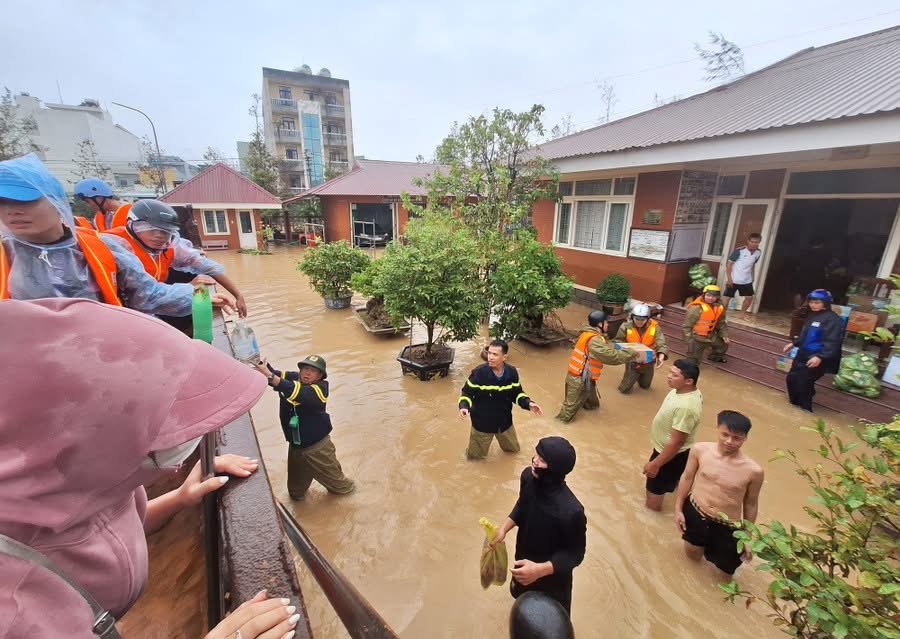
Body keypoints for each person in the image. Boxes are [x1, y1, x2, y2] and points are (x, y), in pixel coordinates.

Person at [0, 298, 299, 639]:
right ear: (84, 441)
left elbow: (105, 531)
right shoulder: (14, 613)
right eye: (159, 427)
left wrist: (179, 499)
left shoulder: (92, 487)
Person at [0, 154, 233, 315]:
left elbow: (147, 294)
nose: (13, 211)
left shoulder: (105, 247)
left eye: (25, 200)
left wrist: (195, 297)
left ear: (56, 201)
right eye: (3, 203)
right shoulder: (6, 255)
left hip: (105, 345)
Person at [490, 437, 586, 615]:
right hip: (523, 562)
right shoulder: (528, 477)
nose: (534, 461)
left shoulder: (571, 511)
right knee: (521, 611)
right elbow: (522, 505)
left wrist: (539, 570)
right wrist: (504, 528)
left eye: (542, 460)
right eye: (536, 455)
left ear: (555, 470)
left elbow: (575, 555)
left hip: (553, 581)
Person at [104, 199, 249, 316]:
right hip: (120, 316)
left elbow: (207, 266)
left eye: (165, 232)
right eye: (150, 229)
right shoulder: (118, 248)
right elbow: (146, 297)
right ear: (132, 224)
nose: (158, 236)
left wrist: (238, 295)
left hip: (150, 312)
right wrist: (196, 294)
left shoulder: (169, 246)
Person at [674, 410, 764, 579]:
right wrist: (678, 509)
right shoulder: (699, 450)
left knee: (724, 573)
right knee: (692, 556)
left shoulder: (754, 471)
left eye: (737, 438)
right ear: (717, 429)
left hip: (727, 527)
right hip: (695, 512)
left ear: (745, 438)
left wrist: (746, 537)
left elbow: (751, 504)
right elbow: (687, 477)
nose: (729, 441)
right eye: (725, 435)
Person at [253, 355, 355, 500]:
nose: (307, 373)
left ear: (320, 375)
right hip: (296, 446)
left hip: (317, 449)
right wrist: (259, 362)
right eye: (305, 369)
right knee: (295, 493)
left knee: (343, 489)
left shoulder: (320, 390)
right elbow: (276, 376)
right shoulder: (295, 378)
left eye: (313, 371)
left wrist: (269, 375)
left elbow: (291, 389)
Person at [458, 339, 543, 460]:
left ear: (504, 357)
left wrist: (528, 404)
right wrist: (464, 407)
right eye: (489, 353)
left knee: (513, 452)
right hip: (482, 424)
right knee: (475, 459)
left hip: (504, 423)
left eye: (495, 354)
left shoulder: (512, 373)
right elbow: (466, 393)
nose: (490, 357)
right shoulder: (479, 373)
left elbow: (516, 393)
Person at [555, 310, 637, 422]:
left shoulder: (586, 334)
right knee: (566, 415)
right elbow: (611, 357)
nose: (608, 325)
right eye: (606, 323)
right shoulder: (594, 340)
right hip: (580, 380)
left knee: (593, 406)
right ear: (600, 324)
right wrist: (631, 353)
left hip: (584, 378)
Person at [642, 359, 703, 512]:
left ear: (689, 381)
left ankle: (653, 514)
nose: (668, 376)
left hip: (669, 455)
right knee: (672, 480)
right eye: (670, 372)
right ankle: (674, 485)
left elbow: (677, 442)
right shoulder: (681, 390)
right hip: (672, 452)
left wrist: (656, 464)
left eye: (674, 375)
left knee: (653, 494)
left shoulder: (686, 407)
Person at [783, 289, 843, 411]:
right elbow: (805, 334)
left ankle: (806, 409)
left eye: (817, 303)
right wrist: (794, 343)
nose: (813, 305)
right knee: (792, 378)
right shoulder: (812, 316)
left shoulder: (833, 320)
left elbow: (833, 341)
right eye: (811, 302)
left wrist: (820, 356)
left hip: (817, 356)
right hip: (803, 353)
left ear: (825, 303)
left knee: (804, 381)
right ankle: (793, 404)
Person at [613, 303, 669, 393]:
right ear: (632, 317)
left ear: (647, 319)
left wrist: (661, 355)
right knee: (625, 389)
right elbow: (617, 341)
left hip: (649, 361)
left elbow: (661, 342)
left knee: (645, 386)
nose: (639, 321)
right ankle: (631, 378)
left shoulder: (655, 328)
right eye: (637, 319)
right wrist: (623, 352)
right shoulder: (625, 326)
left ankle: (640, 378)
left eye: (642, 319)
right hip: (632, 360)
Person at [682, 284, 730, 365]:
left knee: (722, 345)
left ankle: (714, 357)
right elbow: (687, 326)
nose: (711, 298)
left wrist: (724, 334)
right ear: (704, 295)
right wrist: (689, 340)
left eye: (714, 296)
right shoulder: (696, 308)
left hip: (711, 335)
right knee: (693, 359)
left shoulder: (719, 307)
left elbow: (721, 323)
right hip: (697, 337)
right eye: (708, 295)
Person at [722, 232, 762, 313]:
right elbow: (729, 265)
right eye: (752, 242)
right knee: (726, 298)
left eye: (756, 242)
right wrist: (729, 279)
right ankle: (721, 315)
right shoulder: (739, 251)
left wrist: (753, 276)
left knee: (749, 298)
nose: (754, 244)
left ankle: (742, 315)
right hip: (734, 279)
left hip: (747, 280)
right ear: (748, 241)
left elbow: (752, 264)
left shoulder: (758, 252)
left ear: (759, 242)